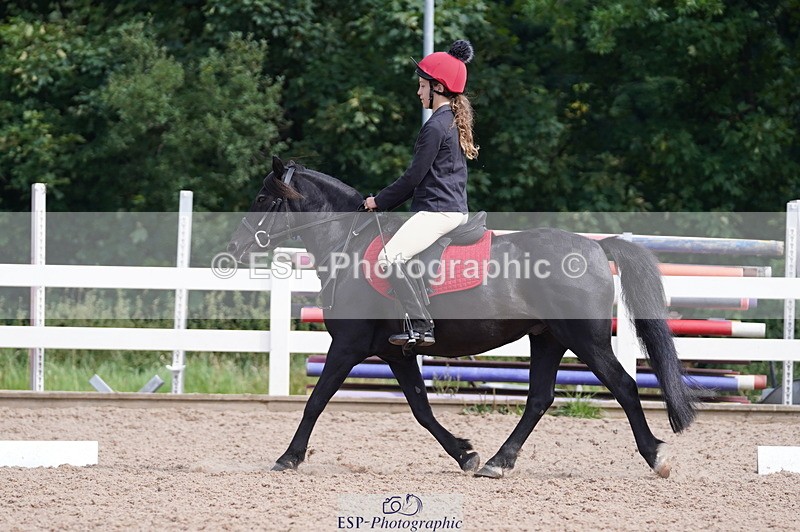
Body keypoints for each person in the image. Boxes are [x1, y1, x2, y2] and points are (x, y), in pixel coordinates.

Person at [364, 39, 480, 349]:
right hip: (451, 208)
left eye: (422, 85)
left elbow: (414, 177)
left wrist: (379, 201)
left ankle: (421, 324)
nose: (418, 92)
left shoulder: (435, 126)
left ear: (438, 87)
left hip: (439, 212)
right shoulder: (451, 121)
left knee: (389, 257)